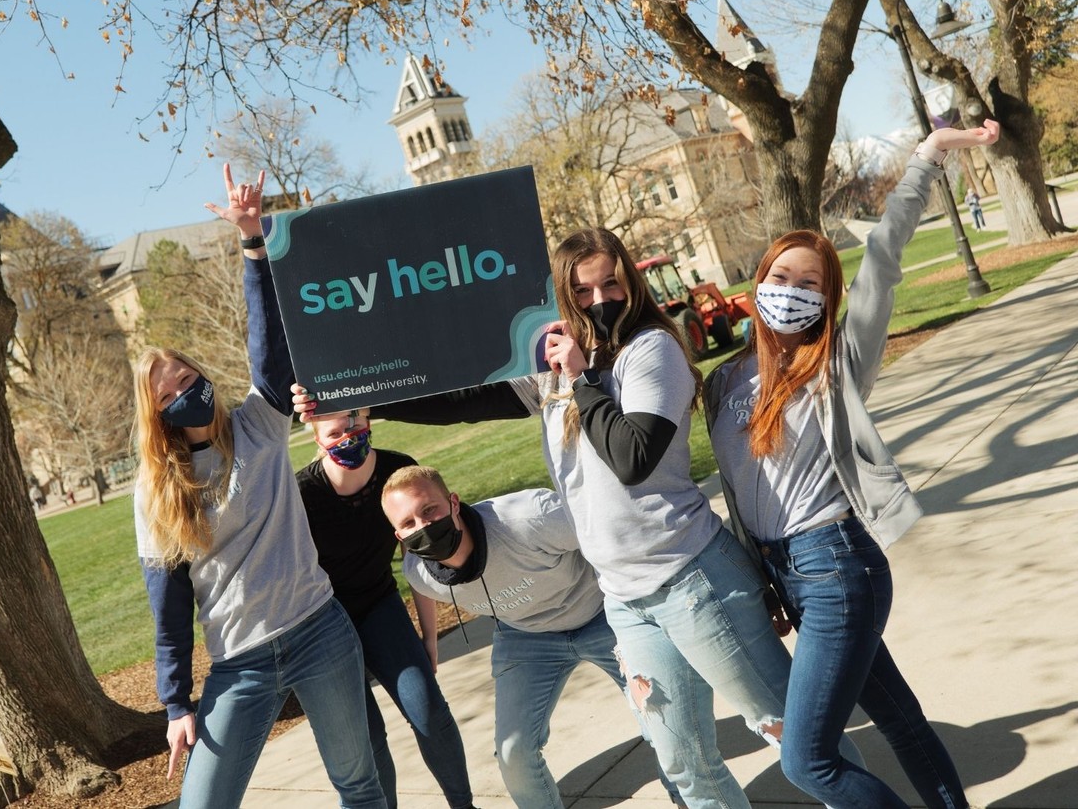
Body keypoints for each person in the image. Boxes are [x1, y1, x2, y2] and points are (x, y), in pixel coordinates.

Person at [296, 227, 862, 809]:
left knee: (788, 734)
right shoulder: (550, 367)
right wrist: (352, 393)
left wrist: (584, 379)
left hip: (691, 577)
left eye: (610, 283)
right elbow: (460, 404)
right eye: (583, 289)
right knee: (683, 761)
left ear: (630, 283)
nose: (598, 300)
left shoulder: (651, 350)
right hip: (624, 599)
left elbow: (634, 458)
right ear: (564, 295)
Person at [703, 121, 999, 808]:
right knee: (899, 719)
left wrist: (930, 154)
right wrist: (766, 582)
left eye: (812, 281)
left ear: (828, 297)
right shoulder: (721, 383)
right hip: (788, 572)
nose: (794, 289)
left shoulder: (837, 363)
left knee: (807, 762)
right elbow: (740, 493)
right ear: (760, 281)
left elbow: (887, 254)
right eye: (783, 276)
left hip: (837, 565)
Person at [132, 165, 386, 809]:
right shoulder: (157, 494)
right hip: (238, 664)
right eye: (172, 393)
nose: (190, 393)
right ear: (155, 414)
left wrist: (253, 241)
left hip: (319, 631)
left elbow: (267, 339)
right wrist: (175, 702)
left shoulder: (259, 425)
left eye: (191, 378)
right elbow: (166, 606)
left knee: (359, 785)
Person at [380, 466, 682, 809]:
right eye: (408, 524)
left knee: (661, 714)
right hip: (526, 636)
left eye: (429, 510)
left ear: (453, 503)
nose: (423, 527)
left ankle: (687, 797)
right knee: (513, 752)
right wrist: (430, 638)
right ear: (399, 537)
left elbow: (608, 530)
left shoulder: (528, 518)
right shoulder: (421, 576)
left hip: (603, 613)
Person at [296, 415, 475, 809]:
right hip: (324, 623)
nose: (347, 436)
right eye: (335, 433)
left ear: (367, 418)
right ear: (318, 439)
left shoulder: (397, 471)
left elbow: (419, 560)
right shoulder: (301, 493)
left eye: (353, 423)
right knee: (367, 737)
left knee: (427, 708)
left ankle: (464, 805)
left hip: (379, 605)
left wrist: (428, 637)